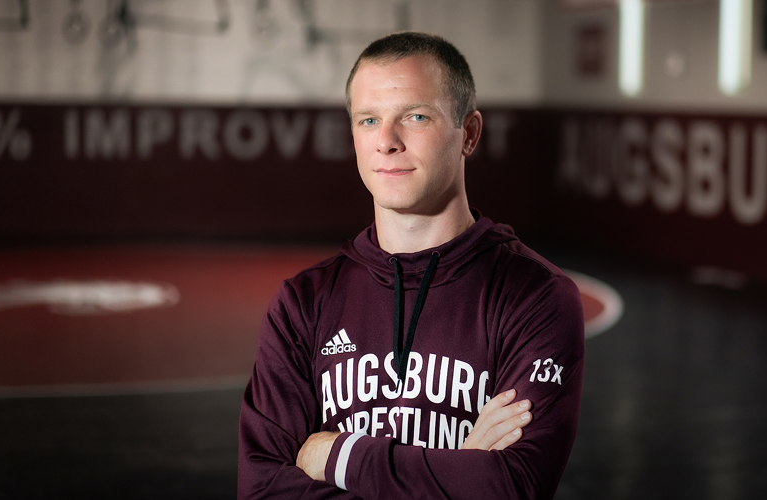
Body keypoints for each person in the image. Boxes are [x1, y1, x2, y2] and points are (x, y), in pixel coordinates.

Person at [238, 31, 584, 500]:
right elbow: (262, 491)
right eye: (368, 120)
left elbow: (512, 486)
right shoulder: (304, 301)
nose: (386, 141)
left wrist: (340, 456)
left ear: (470, 133)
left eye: (415, 117)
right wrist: (460, 470)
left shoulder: (535, 295)